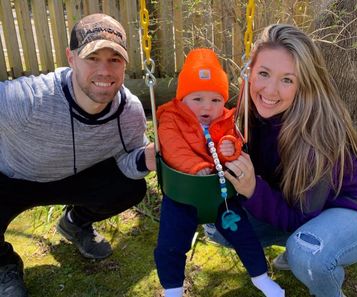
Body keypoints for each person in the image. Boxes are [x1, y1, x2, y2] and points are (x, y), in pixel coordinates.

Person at [204, 24, 357, 297]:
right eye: (264, 74)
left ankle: (314, 254)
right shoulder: (249, 110)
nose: (270, 90)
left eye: (287, 80)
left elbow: (299, 215)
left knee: (309, 255)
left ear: (304, 84)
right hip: (307, 206)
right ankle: (305, 244)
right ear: (250, 73)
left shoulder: (318, 135)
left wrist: (253, 190)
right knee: (221, 225)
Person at [0, 13, 156, 297]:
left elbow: (126, 160)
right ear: (71, 59)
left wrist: (147, 158)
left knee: (129, 187)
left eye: (114, 60)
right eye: (93, 58)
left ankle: (75, 223)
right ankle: (4, 265)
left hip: (77, 179)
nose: (105, 71)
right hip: (14, 179)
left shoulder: (130, 112)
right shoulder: (27, 100)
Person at [154, 48, 285, 297]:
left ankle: (261, 277)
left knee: (245, 235)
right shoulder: (171, 118)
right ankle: (172, 290)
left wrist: (231, 147)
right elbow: (174, 148)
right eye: (198, 99)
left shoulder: (227, 118)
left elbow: (237, 145)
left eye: (215, 100)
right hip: (183, 195)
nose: (207, 107)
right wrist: (197, 169)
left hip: (221, 196)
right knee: (170, 244)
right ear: (182, 98)